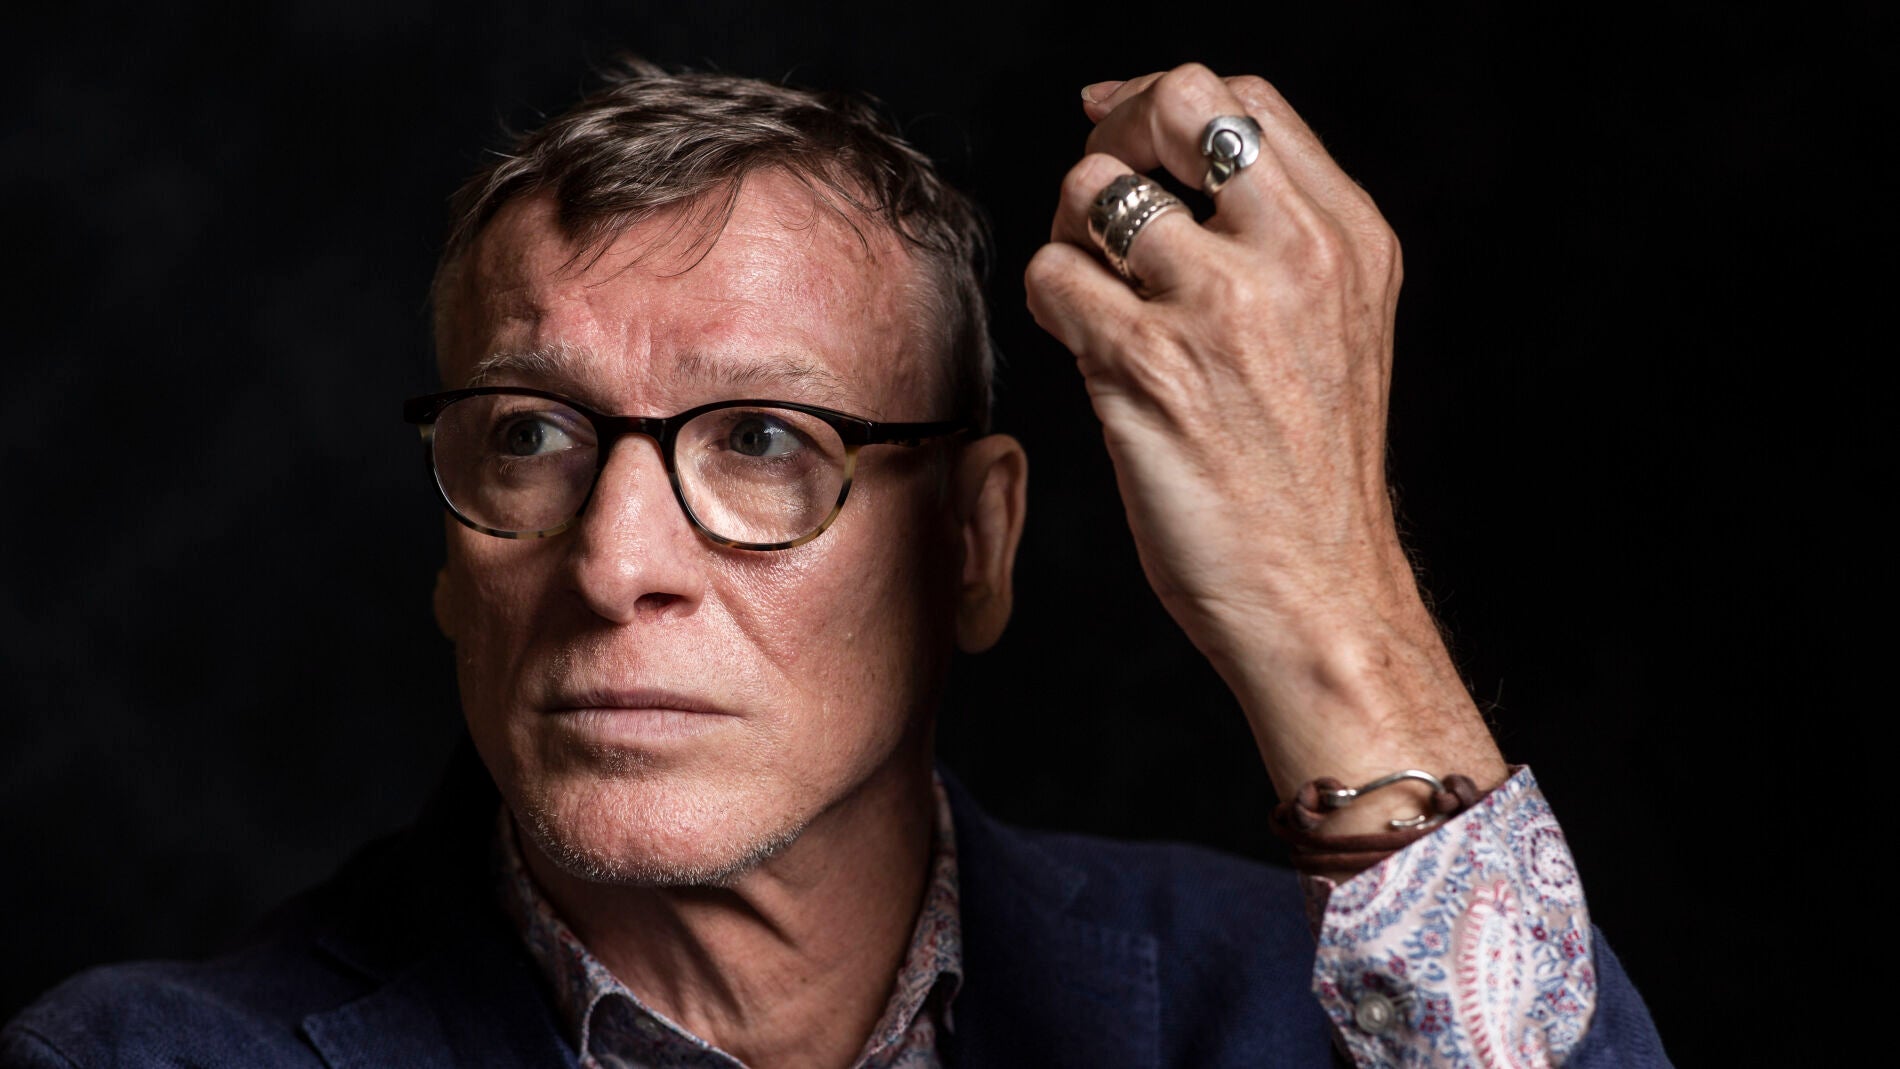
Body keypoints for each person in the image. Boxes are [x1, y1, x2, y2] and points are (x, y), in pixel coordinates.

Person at [2, 59, 1668, 1067]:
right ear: (449, 555)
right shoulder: (141, 1056)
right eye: (529, 435)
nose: (613, 565)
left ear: (975, 544)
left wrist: (1337, 600)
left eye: (760, 438)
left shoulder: (1299, 1009)